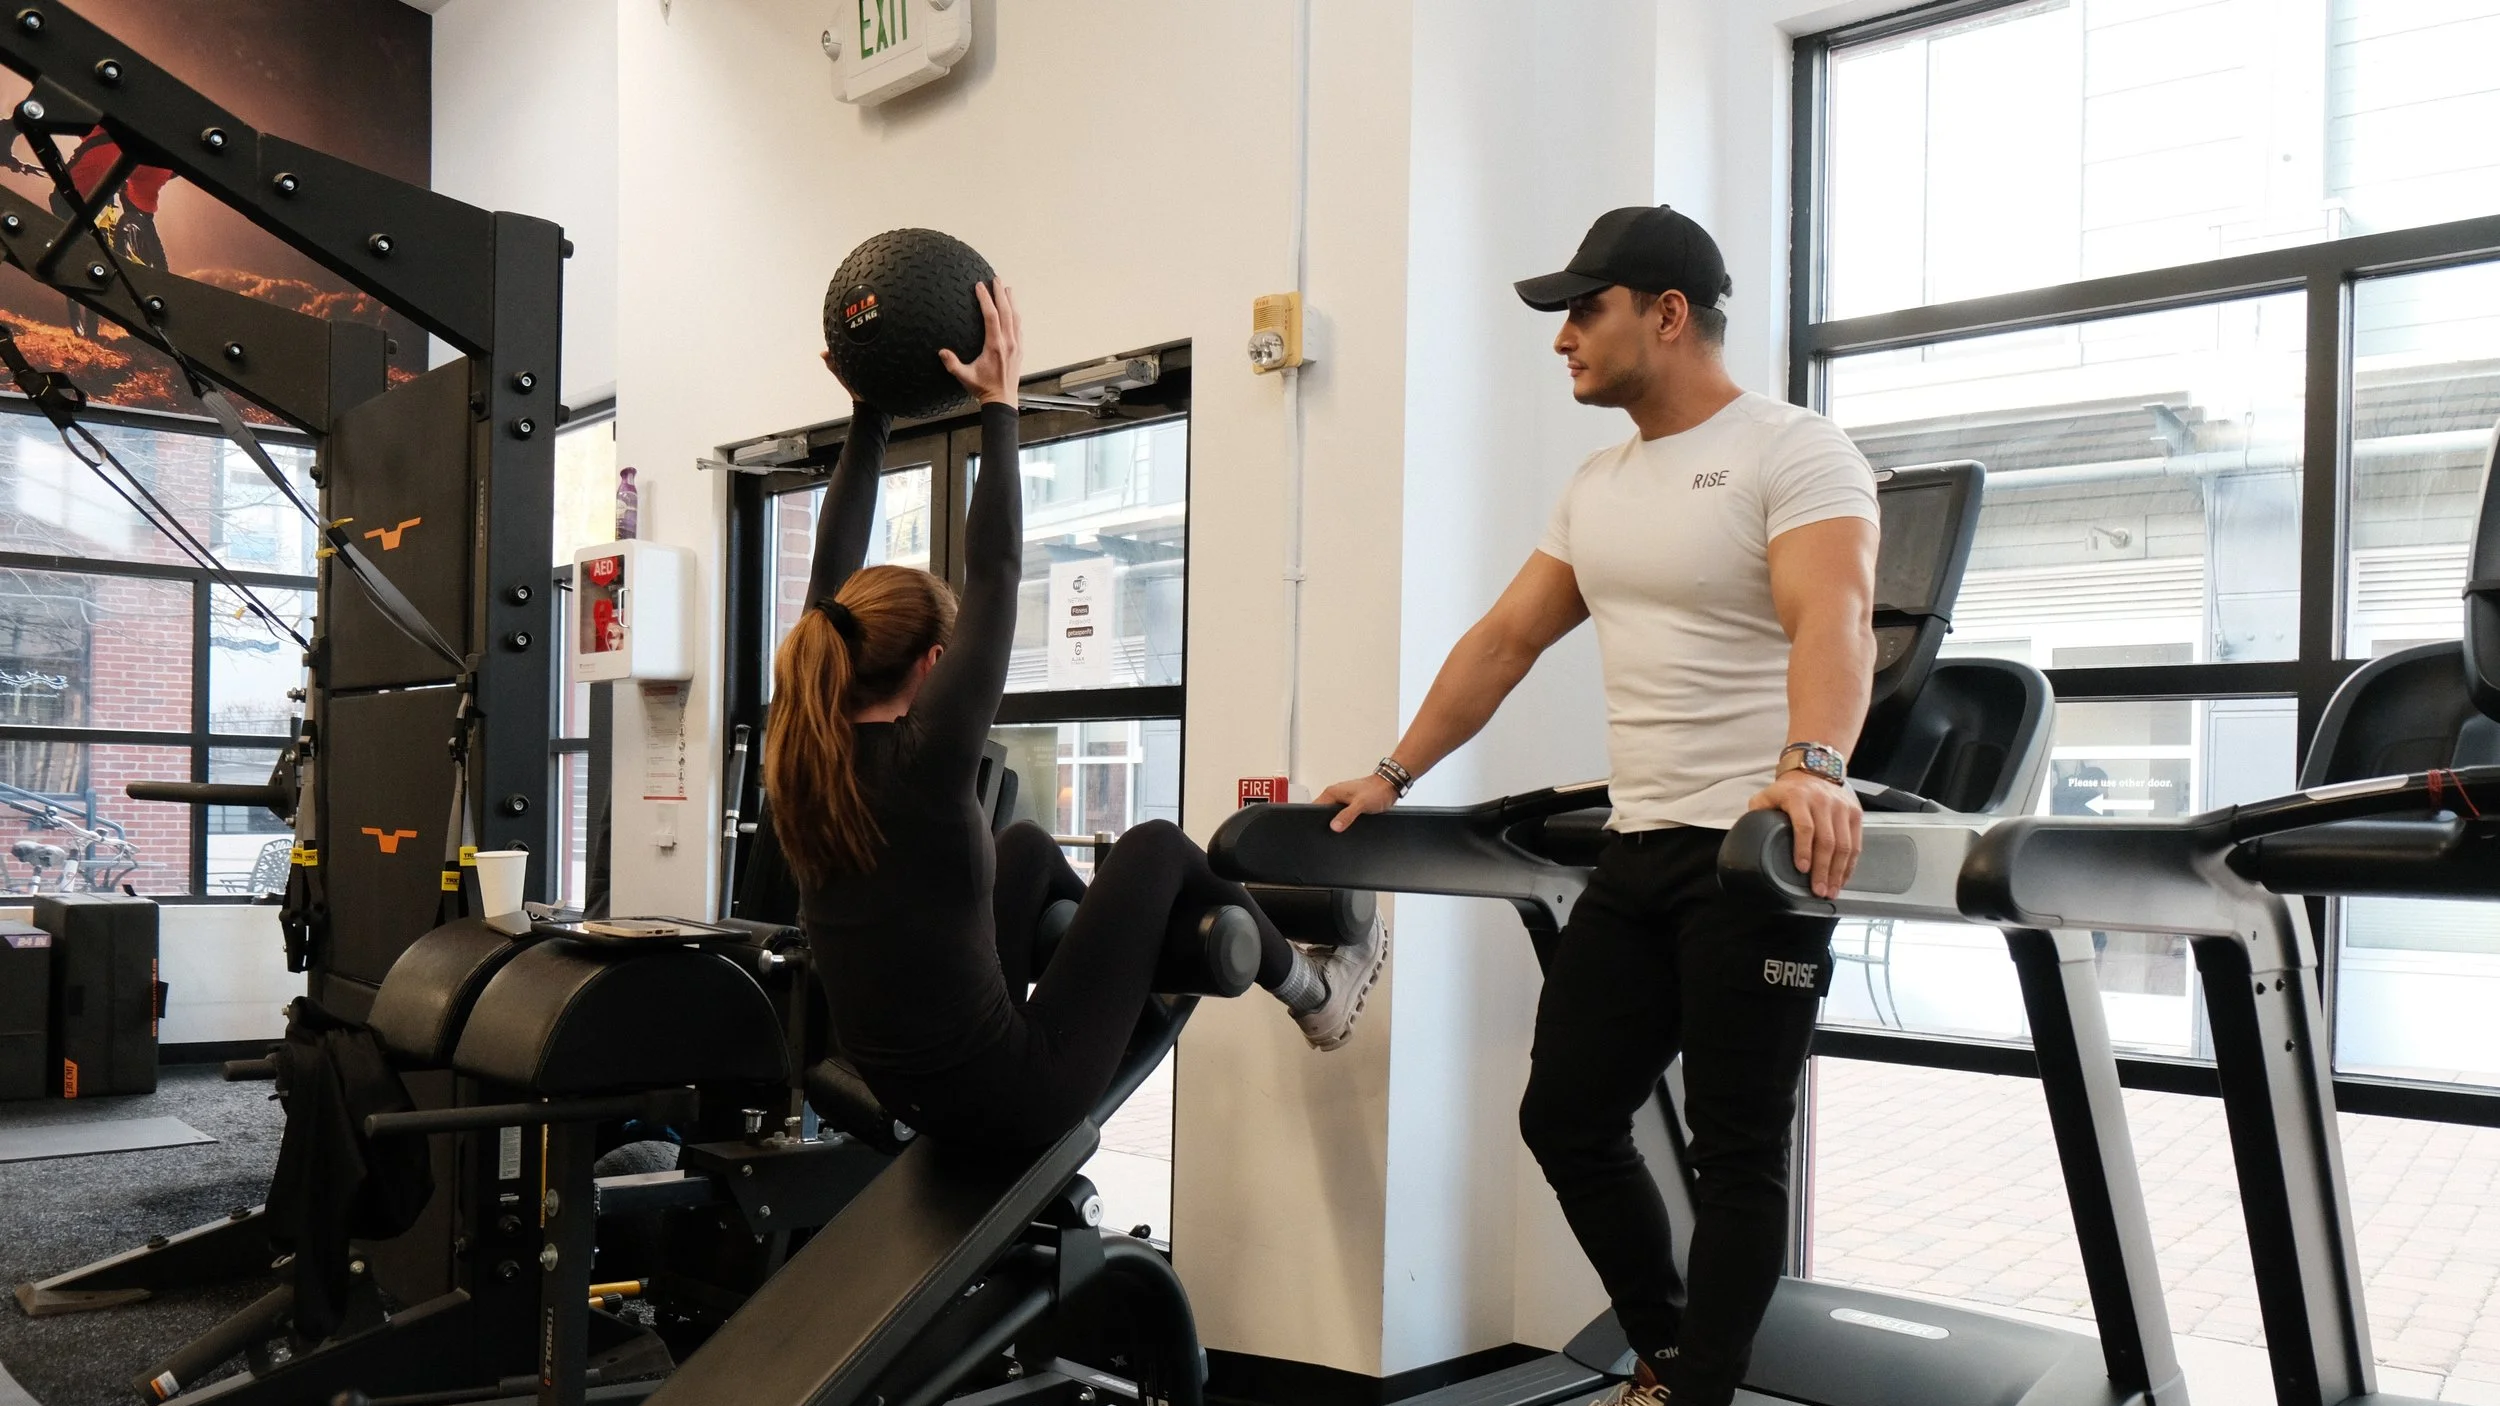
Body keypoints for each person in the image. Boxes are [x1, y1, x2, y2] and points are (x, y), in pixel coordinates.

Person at [1319, 207, 1879, 1406]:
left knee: (1736, 1153)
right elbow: (1505, 639)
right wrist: (1392, 771)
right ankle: (1668, 1354)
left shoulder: (1796, 450)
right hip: (1637, 850)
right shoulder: (1597, 484)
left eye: (1585, 308)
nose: (1562, 336)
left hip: (1753, 853)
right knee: (1565, 1115)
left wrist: (1814, 765)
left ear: (1665, 313)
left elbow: (1830, 617)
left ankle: (1697, 1392)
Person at [769, 279, 1385, 1150]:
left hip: (899, 1088)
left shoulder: (809, 758)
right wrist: (998, 404)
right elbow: (997, 574)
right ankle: (1319, 997)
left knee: (1021, 846)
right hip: (1010, 1093)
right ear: (932, 665)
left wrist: (874, 411)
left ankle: (1110, 944)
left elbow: (832, 568)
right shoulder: (924, 761)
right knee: (1157, 846)